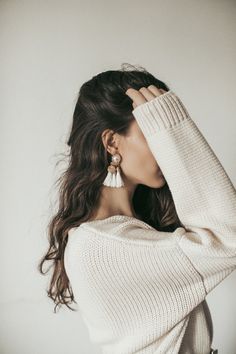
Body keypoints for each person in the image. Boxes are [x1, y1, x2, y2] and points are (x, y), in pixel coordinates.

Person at [39, 63, 235, 354]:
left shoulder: (131, 233)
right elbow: (230, 238)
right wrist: (172, 125)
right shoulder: (99, 245)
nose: (167, 146)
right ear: (111, 142)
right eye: (154, 131)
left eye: (165, 134)